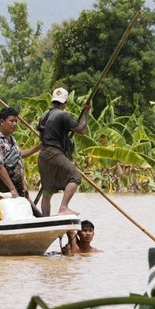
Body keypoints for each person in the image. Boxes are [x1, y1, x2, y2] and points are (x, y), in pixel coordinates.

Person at [37, 87, 91, 216]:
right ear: (65, 102)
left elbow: (41, 137)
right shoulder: (62, 115)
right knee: (76, 177)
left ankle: (45, 219)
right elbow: (81, 130)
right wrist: (86, 112)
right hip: (54, 152)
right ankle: (63, 207)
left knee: (47, 190)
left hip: (43, 154)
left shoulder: (44, 115)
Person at [0, 107, 41, 200]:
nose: (15, 124)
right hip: (4, 186)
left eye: (16, 121)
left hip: (17, 184)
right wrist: (12, 189)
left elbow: (18, 155)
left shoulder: (11, 138)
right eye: (11, 121)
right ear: (2, 122)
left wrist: (38, 147)